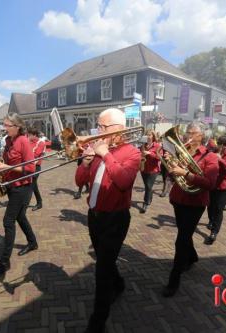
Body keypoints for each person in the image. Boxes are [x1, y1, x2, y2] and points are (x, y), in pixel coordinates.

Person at [74, 108, 140, 332]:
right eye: (98, 126)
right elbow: (79, 182)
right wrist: (84, 163)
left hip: (116, 218)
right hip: (94, 216)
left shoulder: (132, 153)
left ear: (119, 129)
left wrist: (105, 155)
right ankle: (119, 284)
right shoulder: (98, 150)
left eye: (103, 127)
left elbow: (123, 181)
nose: (97, 131)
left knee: (101, 271)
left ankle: (97, 321)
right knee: (106, 261)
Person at [162, 122, 218, 298]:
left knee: (181, 239)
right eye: (187, 133)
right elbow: (172, 174)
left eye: (192, 133)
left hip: (196, 203)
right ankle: (192, 257)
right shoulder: (181, 152)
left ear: (201, 136)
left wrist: (185, 173)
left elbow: (210, 184)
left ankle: (174, 280)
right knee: (184, 232)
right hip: (178, 199)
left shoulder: (211, 157)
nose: (188, 136)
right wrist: (171, 167)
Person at [0, 113, 38, 278]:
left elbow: (30, 169)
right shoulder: (8, 140)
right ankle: (32, 242)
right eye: (4, 125)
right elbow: (8, 161)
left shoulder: (23, 141)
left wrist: (6, 166)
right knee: (20, 217)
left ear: (17, 126)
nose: (4, 128)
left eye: (8, 125)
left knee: (8, 221)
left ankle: (4, 262)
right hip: (12, 185)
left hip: (23, 187)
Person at [205, 136, 226, 245]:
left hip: (224, 187)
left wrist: (220, 159)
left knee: (219, 209)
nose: (220, 147)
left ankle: (214, 232)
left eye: (223, 145)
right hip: (212, 185)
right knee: (210, 206)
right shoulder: (213, 152)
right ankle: (211, 220)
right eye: (219, 144)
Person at [139, 129, 161, 214]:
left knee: (148, 186)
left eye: (150, 135)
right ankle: (149, 198)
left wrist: (150, 153)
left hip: (154, 170)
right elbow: (139, 155)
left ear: (153, 136)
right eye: (147, 134)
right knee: (148, 186)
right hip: (144, 168)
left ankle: (145, 204)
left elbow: (159, 158)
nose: (148, 136)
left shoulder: (157, 146)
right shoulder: (142, 145)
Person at [28, 127, 45, 211]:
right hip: (28, 166)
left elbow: (35, 154)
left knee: (32, 184)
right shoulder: (28, 142)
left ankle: (26, 203)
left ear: (34, 135)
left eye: (29, 135)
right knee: (33, 185)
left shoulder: (41, 143)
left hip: (36, 167)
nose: (28, 136)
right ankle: (39, 202)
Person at [74, 130, 90, 199]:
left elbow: (88, 150)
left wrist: (80, 147)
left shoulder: (88, 141)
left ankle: (79, 193)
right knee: (82, 175)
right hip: (80, 159)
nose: (80, 136)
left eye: (81, 135)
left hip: (85, 159)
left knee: (81, 176)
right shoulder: (80, 141)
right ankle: (88, 188)